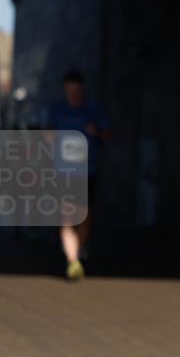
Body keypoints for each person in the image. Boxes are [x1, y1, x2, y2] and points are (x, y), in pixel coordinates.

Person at [47, 70, 111, 280]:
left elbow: (107, 134)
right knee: (66, 218)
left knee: (84, 216)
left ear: (81, 90)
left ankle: (80, 248)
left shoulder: (93, 110)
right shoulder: (57, 110)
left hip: (87, 170)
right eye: (68, 91)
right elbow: (48, 135)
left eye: (75, 90)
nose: (72, 94)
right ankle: (73, 262)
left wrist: (96, 132)